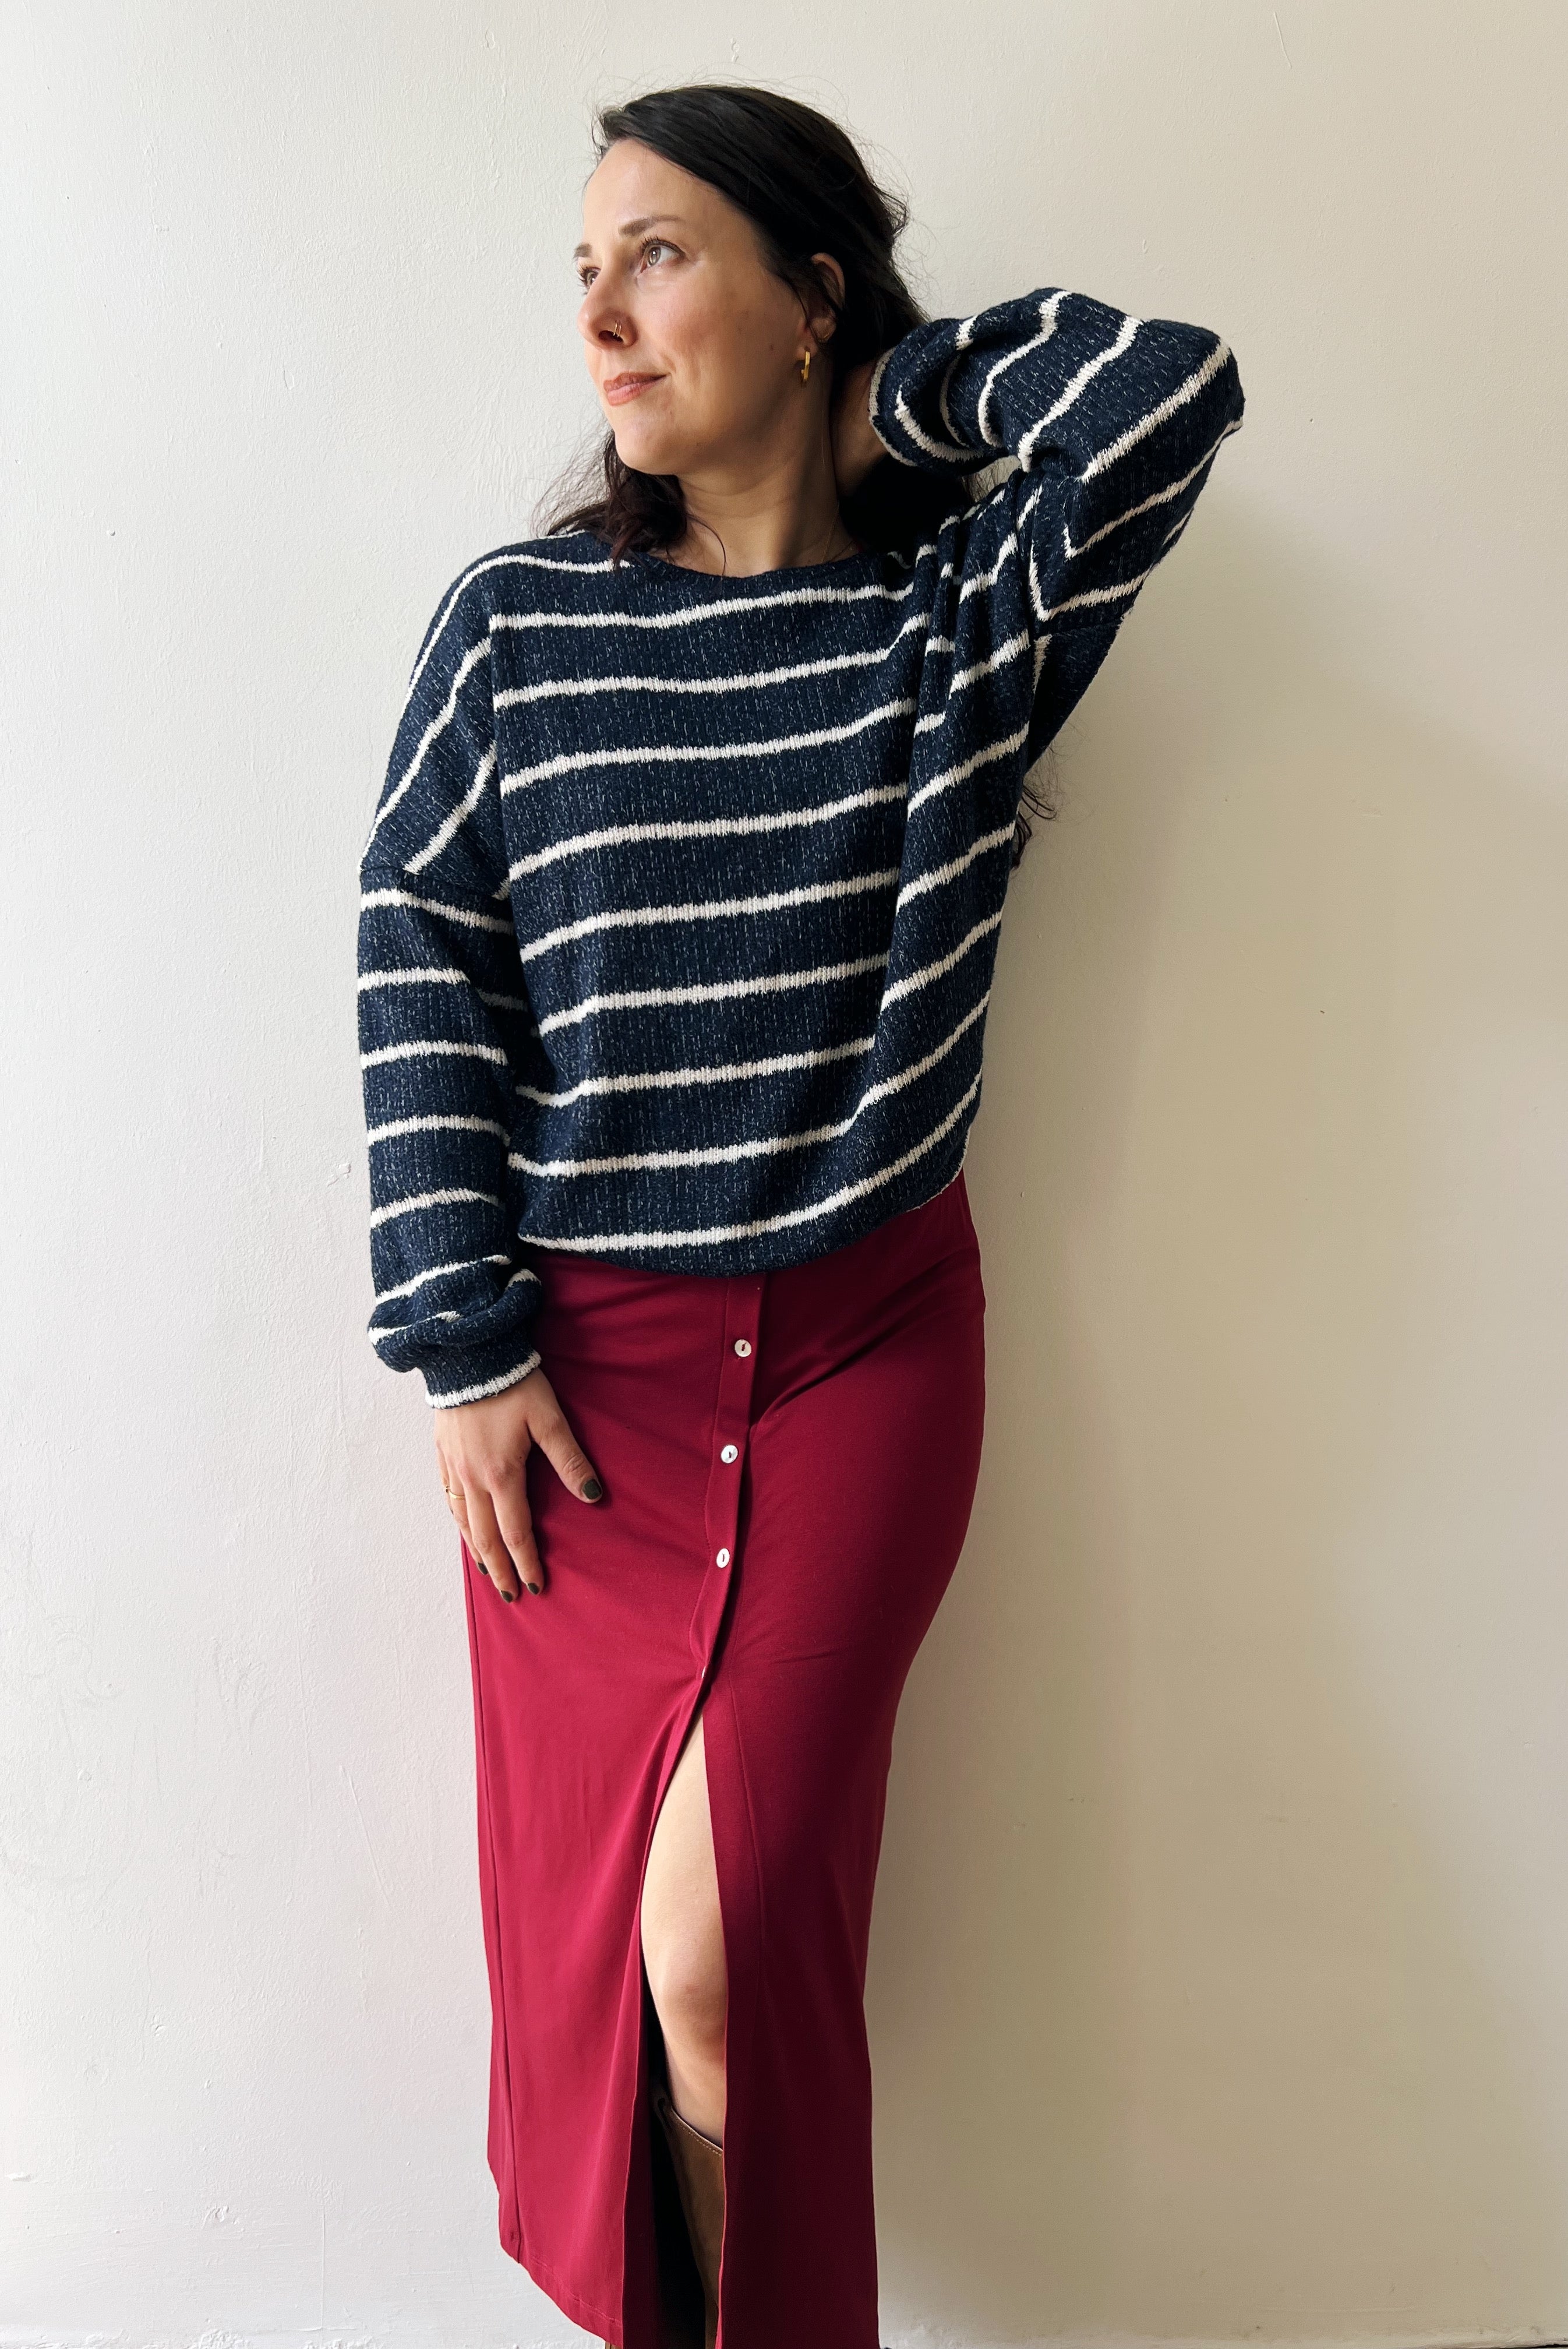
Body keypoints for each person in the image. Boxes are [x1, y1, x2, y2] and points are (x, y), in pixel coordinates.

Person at [355, 79, 1244, 2349]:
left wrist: (900, 392)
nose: (603, 318)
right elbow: (418, 948)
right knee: (629, 2003)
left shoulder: (962, 616)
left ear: (807, 287)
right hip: (583, 1396)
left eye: (655, 253)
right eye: (580, 271)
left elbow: (1163, 396)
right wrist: (459, 1338)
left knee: (724, 1956)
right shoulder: (524, 625)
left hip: (862, 1359)